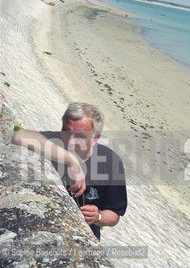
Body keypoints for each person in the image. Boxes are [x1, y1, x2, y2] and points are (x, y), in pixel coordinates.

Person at [12, 102, 127, 240]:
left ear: (95, 138)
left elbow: (114, 215)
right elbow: (18, 137)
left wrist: (98, 216)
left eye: (79, 136)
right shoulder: (53, 142)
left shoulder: (110, 162)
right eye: (66, 131)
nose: (70, 141)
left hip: (82, 237)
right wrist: (72, 161)